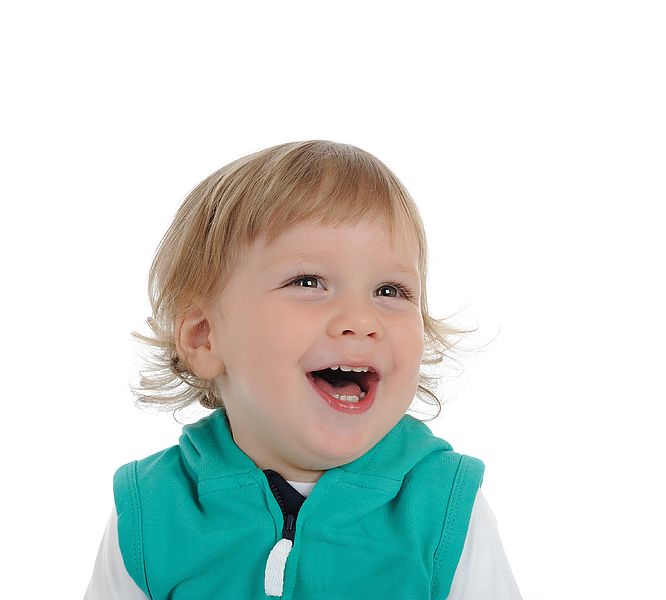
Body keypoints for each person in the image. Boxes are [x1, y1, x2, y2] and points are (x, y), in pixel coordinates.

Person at [84, 141, 522, 599]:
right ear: (204, 337)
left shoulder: (445, 507)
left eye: (390, 290)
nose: (361, 320)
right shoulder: (150, 510)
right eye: (308, 282)